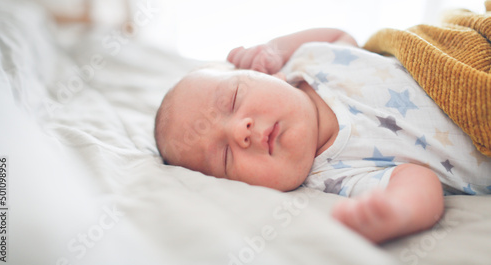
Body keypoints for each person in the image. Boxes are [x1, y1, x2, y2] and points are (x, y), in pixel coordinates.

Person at [154, 28, 491, 243]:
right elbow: (417, 180)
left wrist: (275, 47)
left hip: (459, 53)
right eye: (225, 156)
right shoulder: (332, 176)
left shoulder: (309, 63)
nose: (240, 132)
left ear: (271, 76)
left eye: (233, 99)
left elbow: (340, 37)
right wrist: (399, 211)